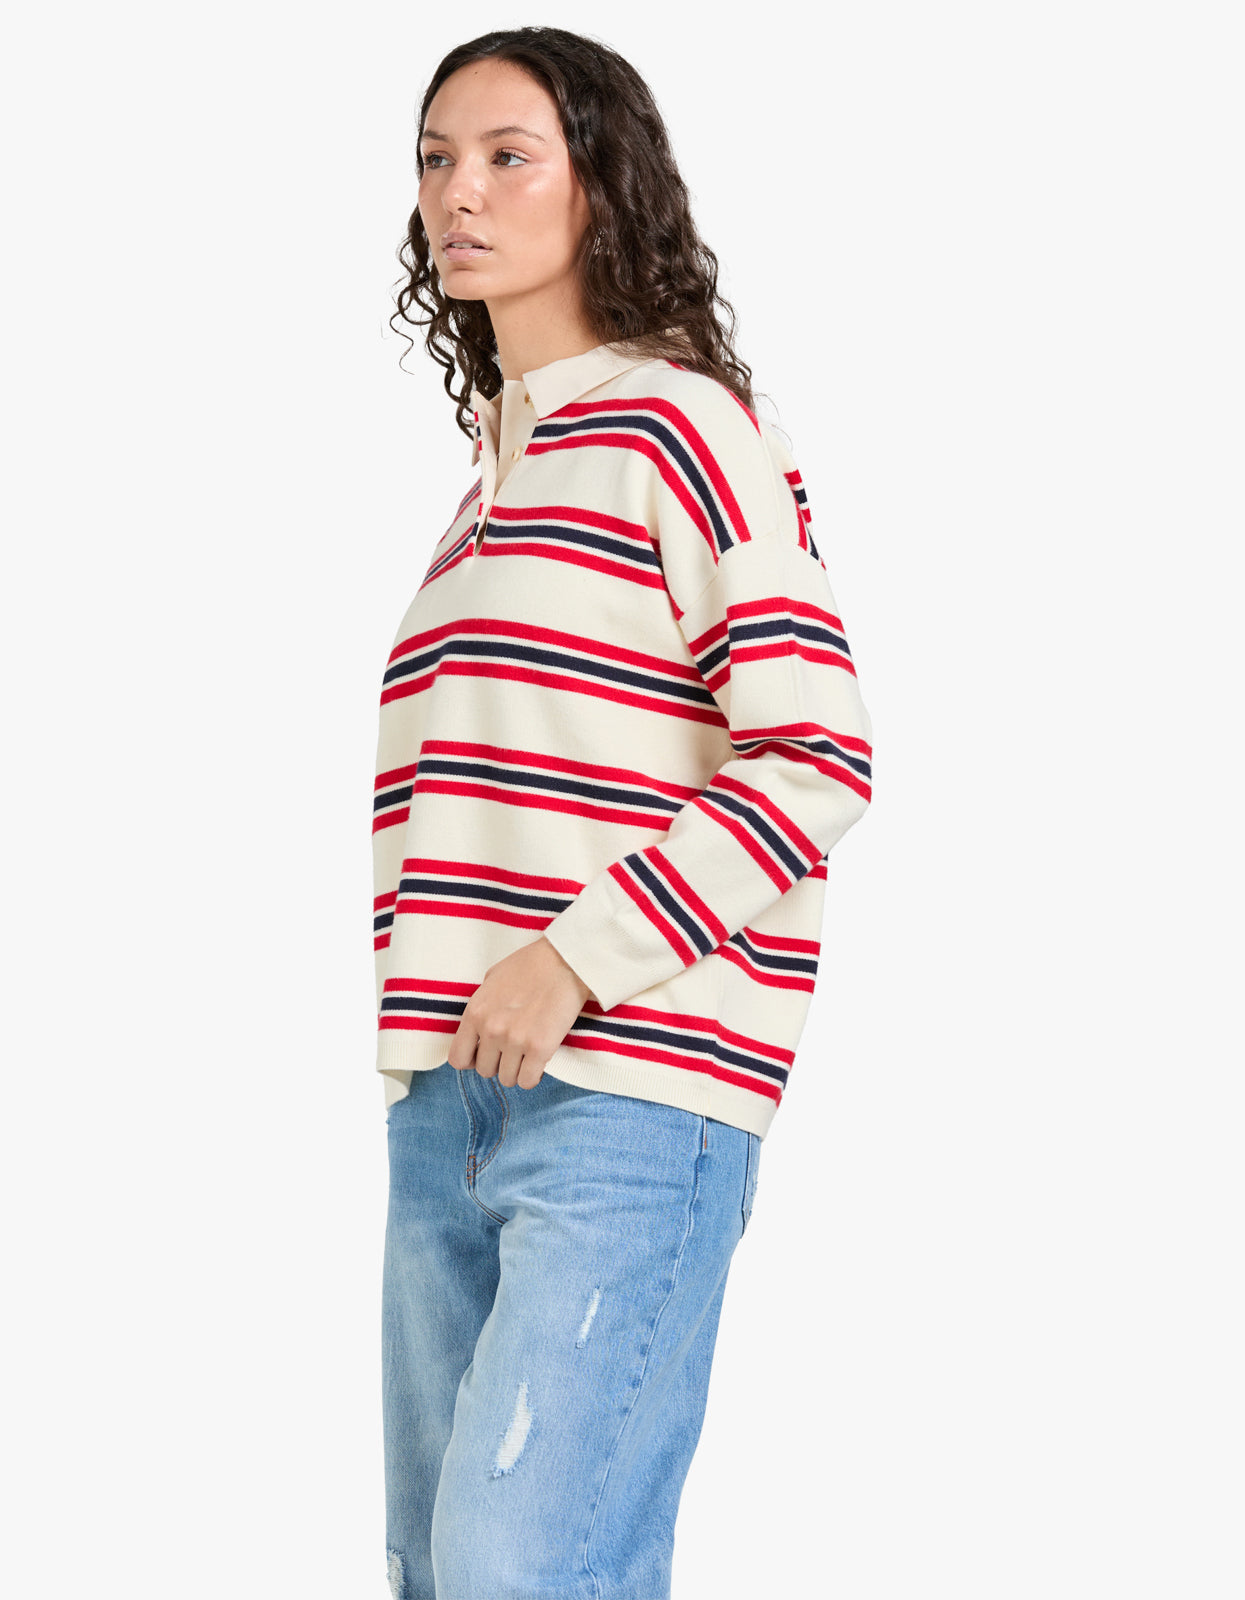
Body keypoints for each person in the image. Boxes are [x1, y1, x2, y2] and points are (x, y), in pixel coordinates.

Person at [376, 26, 874, 1600]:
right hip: (447, 1102)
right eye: (436, 159)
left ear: (604, 183)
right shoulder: (490, 491)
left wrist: (572, 958)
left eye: (507, 155)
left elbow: (816, 753)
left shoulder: (681, 427)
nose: (458, 192)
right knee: (441, 1572)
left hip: (628, 1094)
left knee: (521, 1571)